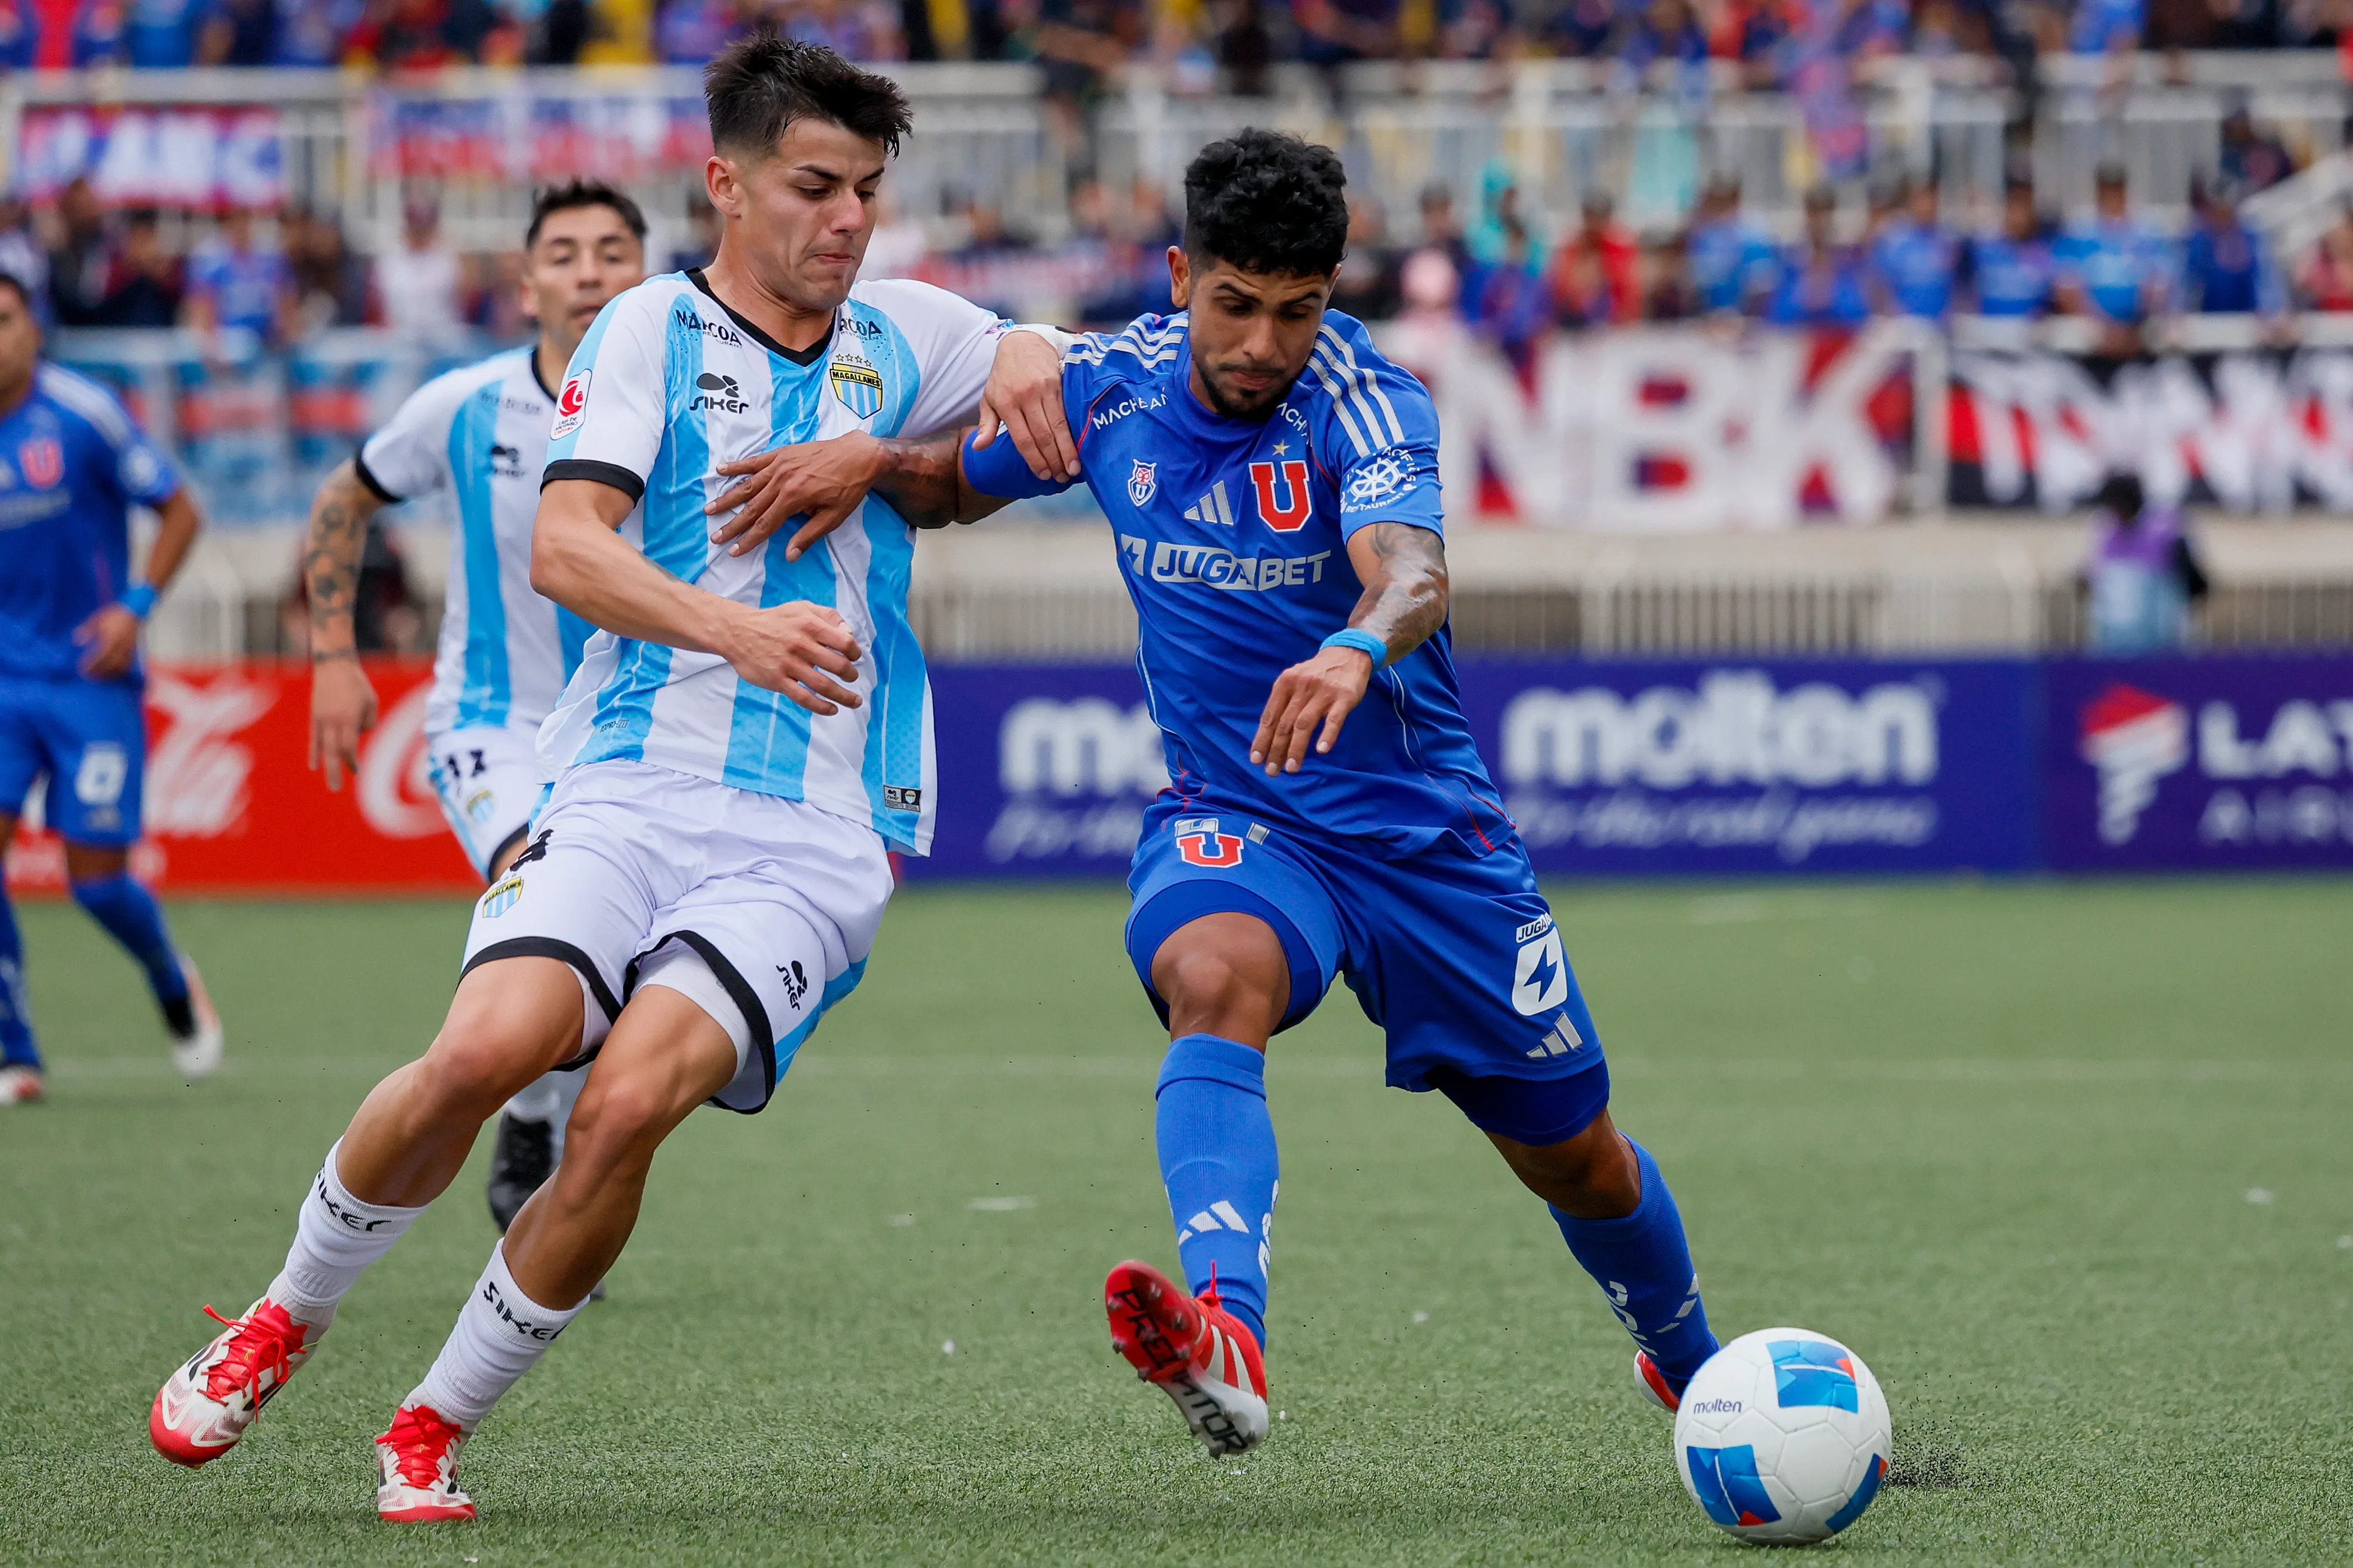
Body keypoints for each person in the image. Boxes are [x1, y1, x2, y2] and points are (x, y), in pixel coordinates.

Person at [145, 36, 1074, 1522]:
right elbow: (567, 544)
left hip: (816, 834)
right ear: (727, 183)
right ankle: (281, 1315)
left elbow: (1064, 389)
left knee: (626, 1103)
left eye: (867, 193)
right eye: (813, 187)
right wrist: (738, 629)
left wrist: (946, 404)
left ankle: (430, 1423)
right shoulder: (648, 327)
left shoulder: (904, 332)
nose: (845, 221)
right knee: (484, 1049)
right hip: (627, 785)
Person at [839, 129, 1723, 1455]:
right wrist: (857, 462)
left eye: (1296, 311)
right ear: (1184, 274)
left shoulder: (1366, 400)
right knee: (1212, 976)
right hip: (1243, 818)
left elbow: (1412, 566)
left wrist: (1359, 639)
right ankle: (1226, 1331)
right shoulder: (1111, 386)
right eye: (1235, 304)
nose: (1261, 342)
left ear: (1331, 294)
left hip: (1425, 843)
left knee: (1574, 1151)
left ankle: (1692, 1364)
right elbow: (956, 488)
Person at [298, 180, 652, 1256]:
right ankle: (527, 1135)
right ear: (526, 279)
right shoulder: (465, 404)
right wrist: (331, 658)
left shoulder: (692, 397)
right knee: (559, 917)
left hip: (628, 734)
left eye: (612, 252)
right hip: (491, 727)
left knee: (614, 975)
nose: (589, 273)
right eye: (565, 253)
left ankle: (534, 1121)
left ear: (650, 272)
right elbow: (342, 500)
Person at [0, 272, 224, 1107]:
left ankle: (169, 972)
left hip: (89, 676)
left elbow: (180, 509)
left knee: (93, 880)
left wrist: (135, 607)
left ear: (33, 328)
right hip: (3, 685)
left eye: (6, 319)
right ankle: (16, 1053)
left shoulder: (82, 411)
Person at [2082, 471, 2207, 655]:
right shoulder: (2106, 527)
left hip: (2161, 624)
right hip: (2115, 634)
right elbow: (2094, 571)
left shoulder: (2166, 525)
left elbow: (2190, 575)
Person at [2053, 163, 2177, 343]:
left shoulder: (2147, 232)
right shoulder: (2079, 231)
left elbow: (2159, 288)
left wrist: (2131, 325)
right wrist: (2102, 327)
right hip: (2091, 338)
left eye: (2117, 189)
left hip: (2136, 335)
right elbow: (2066, 289)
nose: (2112, 196)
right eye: (2107, 190)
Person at [1965, 175, 2056, 318]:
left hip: (2029, 331)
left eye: (2023, 210)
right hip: (1990, 329)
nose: (2019, 218)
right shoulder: (1983, 250)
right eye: (2014, 210)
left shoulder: (2044, 252)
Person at [1869, 177, 1958, 319]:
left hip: (1939, 324)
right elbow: (1878, 282)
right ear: (1912, 204)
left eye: (1932, 202)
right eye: (1922, 202)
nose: (1927, 207)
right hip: (1905, 323)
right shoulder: (1895, 241)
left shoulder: (1948, 240)